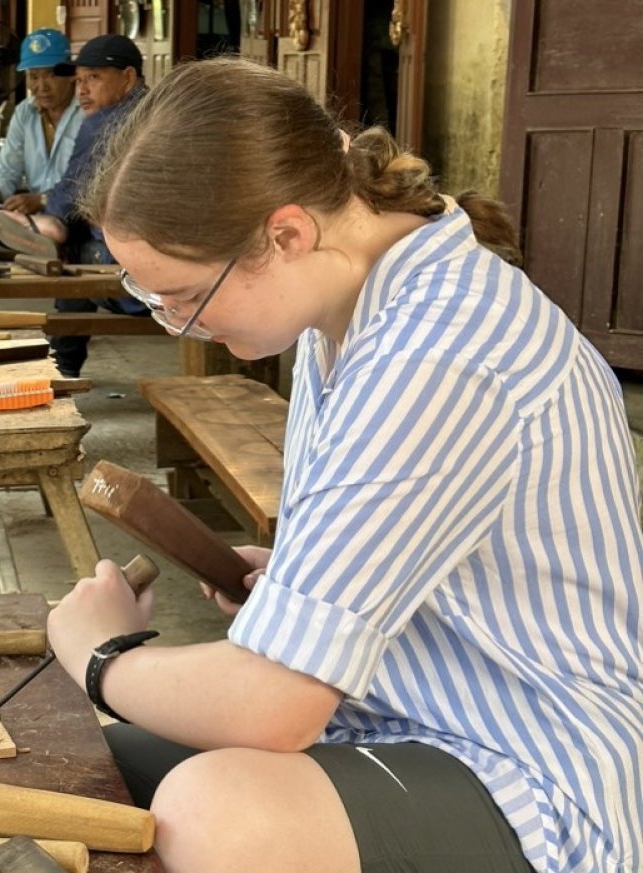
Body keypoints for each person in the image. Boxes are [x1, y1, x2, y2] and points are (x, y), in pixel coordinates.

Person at [47, 58, 643, 873]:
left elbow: (275, 706)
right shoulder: (353, 310)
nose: (179, 325)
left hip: (528, 766)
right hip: (400, 714)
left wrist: (103, 655)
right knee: (89, 769)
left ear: (287, 232)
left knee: (212, 809)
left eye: (185, 294)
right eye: (152, 299)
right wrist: (301, 579)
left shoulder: (434, 353)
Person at [0, 33, 151, 377]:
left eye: (94, 78)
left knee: (72, 254)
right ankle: (56, 228)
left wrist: (55, 217)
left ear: (128, 78)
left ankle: (62, 366)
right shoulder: (159, 112)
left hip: (144, 282)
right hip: (186, 268)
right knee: (81, 223)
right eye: (79, 80)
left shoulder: (105, 122)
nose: (82, 89)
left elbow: (74, 186)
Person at [0, 27, 82, 312]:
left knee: (69, 224)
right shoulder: (25, 112)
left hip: (73, 207)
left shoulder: (86, 112)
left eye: (50, 75)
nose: (41, 86)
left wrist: (44, 201)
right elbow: (7, 169)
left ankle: (67, 323)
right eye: (33, 77)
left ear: (69, 73)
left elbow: (88, 182)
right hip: (35, 208)